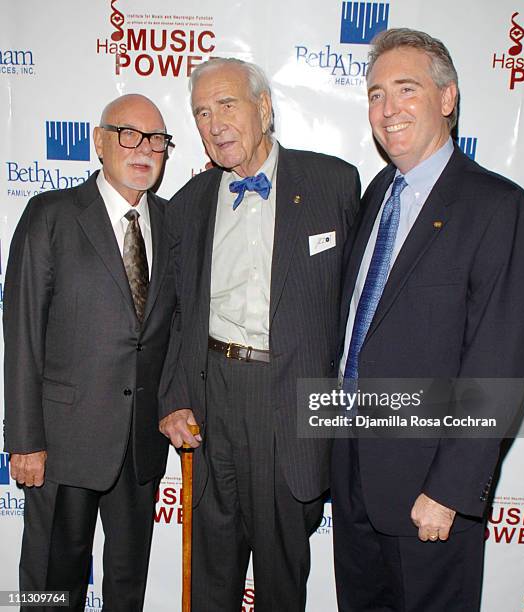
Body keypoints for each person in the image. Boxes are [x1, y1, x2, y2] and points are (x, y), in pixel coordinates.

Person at [331, 28, 524, 612]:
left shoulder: (498, 207)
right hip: (352, 476)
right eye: (375, 94)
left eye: (405, 89)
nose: (387, 109)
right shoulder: (377, 195)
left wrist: (450, 490)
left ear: (447, 98)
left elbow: (498, 365)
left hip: (429, 491)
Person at [158, 57, 360, 611]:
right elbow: (179, 313)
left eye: (227, 105)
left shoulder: (334, 184)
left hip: (288, 399)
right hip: (211, 396)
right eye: (201, 112)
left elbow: (360, 302)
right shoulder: (189, 204)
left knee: (280, 580)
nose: (214, 122)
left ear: (264, 108)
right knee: (209, 578)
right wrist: (174, 397)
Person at [4, 93, 176, 611]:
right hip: (63, 440)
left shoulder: (173, 224)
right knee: (52, 584)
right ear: (99, 142)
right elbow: (22, 333)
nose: (144, 149)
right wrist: (25, 439)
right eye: (129, 134)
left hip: (140, 443)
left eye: (157, 141)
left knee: (128, 583)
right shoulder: (51, 215)